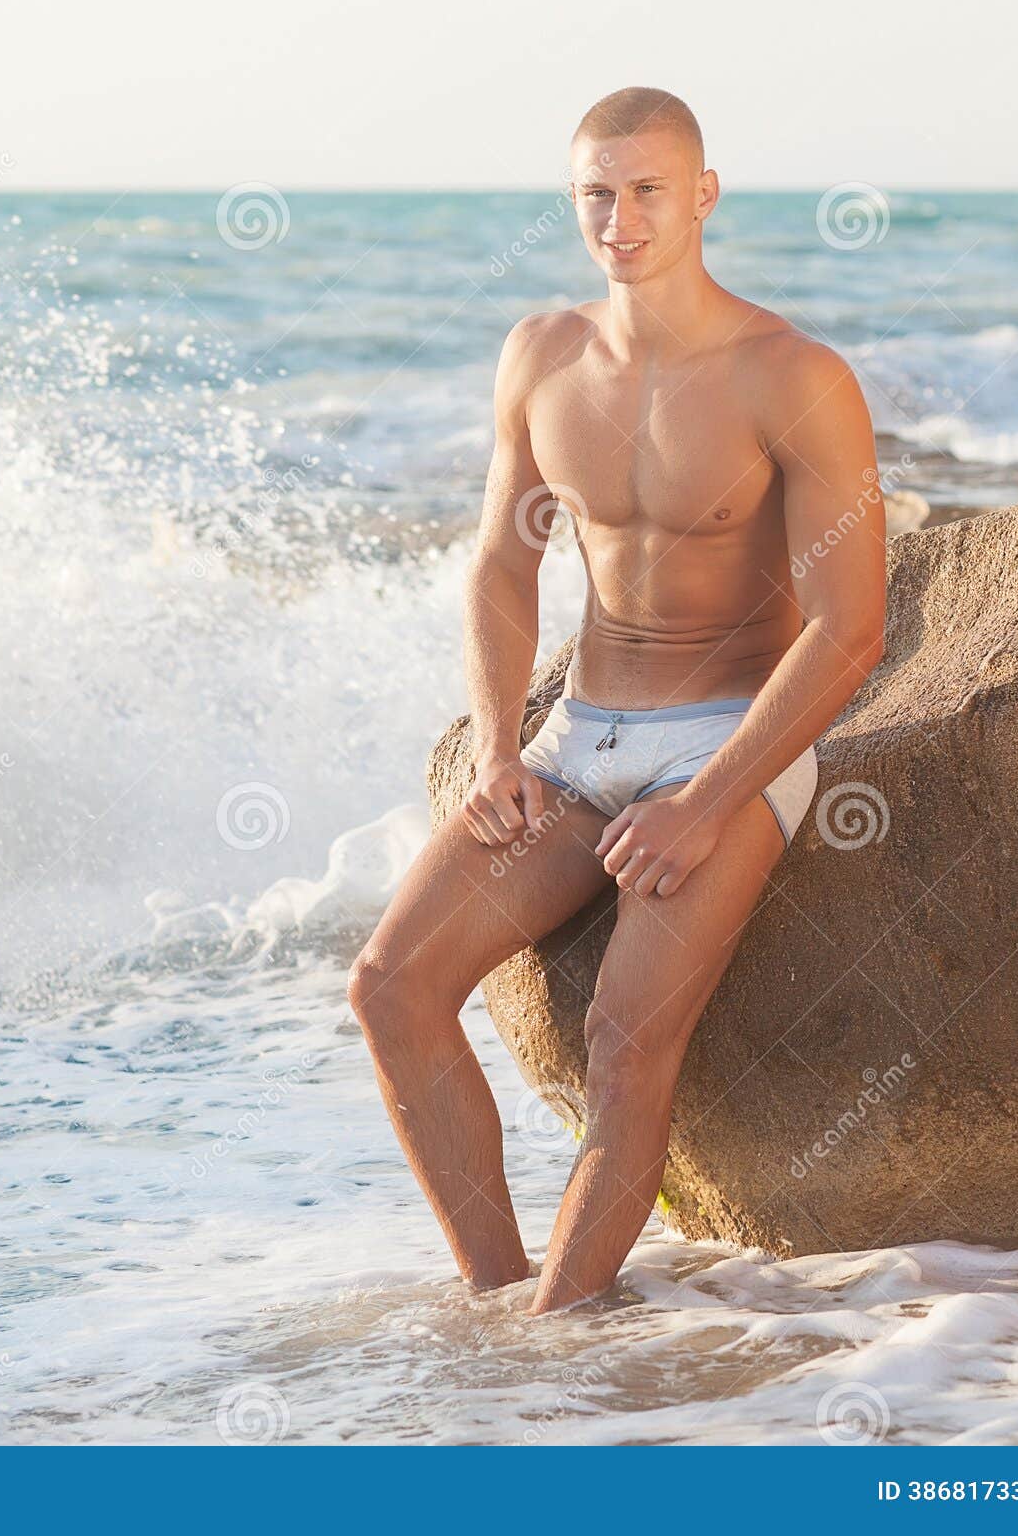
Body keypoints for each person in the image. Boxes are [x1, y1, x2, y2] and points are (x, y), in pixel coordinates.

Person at [348, 86, 887, 1315]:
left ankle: (563, 1332)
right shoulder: (540, 354)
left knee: (626, 1044)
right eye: (596, 190)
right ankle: (499, 1304)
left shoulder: (791, 374)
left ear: (703, 195)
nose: (620, 216)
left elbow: (850, 630)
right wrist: (496, 748)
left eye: (646, 188)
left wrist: (708, 802)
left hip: (725, 742)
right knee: (390, 984)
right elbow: (499, 560)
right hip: (574, 740)